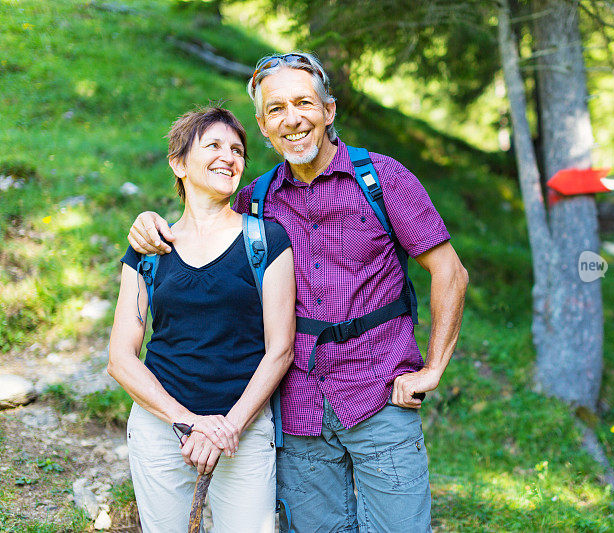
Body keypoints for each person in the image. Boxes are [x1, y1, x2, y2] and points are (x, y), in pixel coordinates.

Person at [127, 53, 469, 532]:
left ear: (328, 111)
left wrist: (433, 369)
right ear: (264, 127)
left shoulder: (381, 179)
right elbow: (203, 228)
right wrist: (147, 224)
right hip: (299, 411)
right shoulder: (256, 199)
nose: (292, 119)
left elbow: (449, 271)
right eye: (276, 110)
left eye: (304, 103)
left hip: (380, 395)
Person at [109, 106, 295, 533]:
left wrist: (226, 428)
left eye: (237, 149)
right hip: (162, 426)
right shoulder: (149, 248)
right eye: (212, 145)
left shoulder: (266, 240)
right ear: (179, 163)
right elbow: (120, 358)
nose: (228, 157)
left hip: (242, 431)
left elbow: (280, 350)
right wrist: (188, 422)